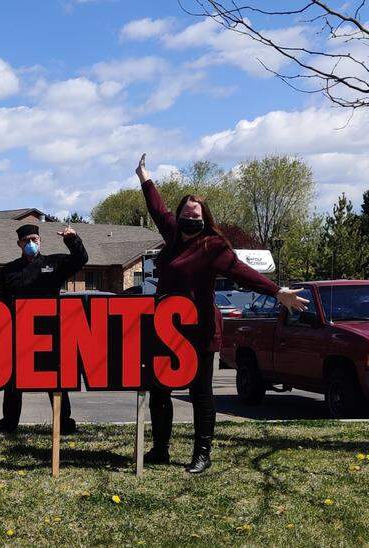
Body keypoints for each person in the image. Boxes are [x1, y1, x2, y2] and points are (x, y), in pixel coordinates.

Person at [136, 153, 308, 474]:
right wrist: (144, 176)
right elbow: (157, 209)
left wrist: (277, 291)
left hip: (199, 330)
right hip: (166, 328)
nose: (190, 220)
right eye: (186, 214)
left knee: (200, 391)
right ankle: (160, 447)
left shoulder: (213, 246)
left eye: (196, 215)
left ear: (204, 218)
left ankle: (202, 453)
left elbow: (243, 272)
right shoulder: (173, 237)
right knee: (159, 389)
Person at [0, 223, 87, 434]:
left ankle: (64, 423)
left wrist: (72, 239)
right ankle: (8, 425)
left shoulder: (53, 263)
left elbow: (81, 259)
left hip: (48, 333)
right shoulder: (9, 270)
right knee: (13, 383)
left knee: (56, 381)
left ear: (40, 241)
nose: (30, 243)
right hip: (18, 336)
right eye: (26, 240)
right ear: (19, 243)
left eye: (34, 239)